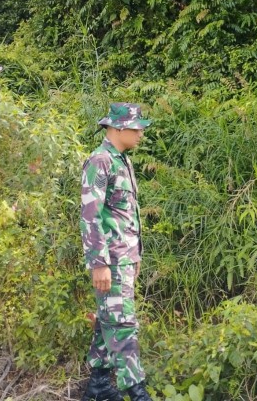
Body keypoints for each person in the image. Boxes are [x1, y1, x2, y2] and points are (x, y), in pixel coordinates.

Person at [80, 102, 152, 401]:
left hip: (123, 258)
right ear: (119, 128)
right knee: (123, 324)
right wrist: (99, 263)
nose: (140, 134)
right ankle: (137, 392)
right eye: (137, 128)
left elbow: (126, 216)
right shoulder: (100, 161)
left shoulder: (122, 161)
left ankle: (98, 385)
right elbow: (90, 215)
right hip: (109, 260)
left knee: (109, 317)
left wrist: (134, 257)